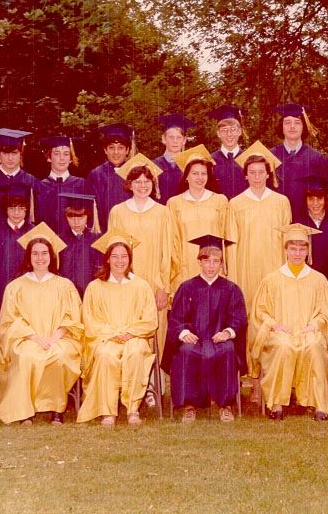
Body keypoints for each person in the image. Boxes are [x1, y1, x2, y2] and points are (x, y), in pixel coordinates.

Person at [0, 223, 82, 425]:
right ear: (28, 257)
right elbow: (9, 320)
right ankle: (26, 411)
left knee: (59, 356)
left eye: (44, 253)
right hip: (25, 339)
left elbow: (73, 318)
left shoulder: (64, 285)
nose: (40, 258)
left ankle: (56, 409)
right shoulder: (15, 287)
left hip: (60, 338)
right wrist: (34, 337)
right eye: (35, 253)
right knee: (26, 356)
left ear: (52, 256)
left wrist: (54, 337)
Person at [249, 224, 328, 420]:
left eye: (302, 248)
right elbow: (260, 312)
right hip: (281, 332)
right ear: (285, 250)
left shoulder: (318, 280)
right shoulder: (271, 280)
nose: (297, 253)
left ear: (308, 250)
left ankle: (319, 405)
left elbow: (325, 312)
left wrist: (315, 325)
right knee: (282, 347)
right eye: (293, 248)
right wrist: (273, 324)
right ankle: (277, 404)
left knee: (314, 346)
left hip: (309, 331)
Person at [163, 235, 247, 423]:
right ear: (199, 262)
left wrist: (228, 332)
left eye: (216, 261)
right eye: (206, 261)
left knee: (228, 350)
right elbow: (176, 318)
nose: (211, 266)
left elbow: (238, 318)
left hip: (220, 341)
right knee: (185, 351)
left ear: (221, 264)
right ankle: (189, 406)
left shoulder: (231, 289)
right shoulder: (187, 287)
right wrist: (184, 333)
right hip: (195, 341)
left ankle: (225, 405)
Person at [77, 230, 157, 426]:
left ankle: (132, 410)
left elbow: (150, 320)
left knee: (136, 353)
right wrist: (113, 334)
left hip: (134, 337)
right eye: (115, 256)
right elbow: (90, 320)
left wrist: (130, 333)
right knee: (106, 356)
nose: (119, 261)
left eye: (124, 256)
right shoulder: (95, 287)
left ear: (130, 259)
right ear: (107, 259)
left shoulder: (141, 286)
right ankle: (108, 412)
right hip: (106, 338)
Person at [108, 153, 172, 359]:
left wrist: (164, 287)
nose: (142, 185)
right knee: (129, 325)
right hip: (126, 281)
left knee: (156, 327)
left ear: (153, 184)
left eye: (147, 181)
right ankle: (128, 378)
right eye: (137, 181)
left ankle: (156, 381)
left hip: (154, 280)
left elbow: (168, 251)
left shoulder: (163, 212)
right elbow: (112, 250)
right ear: (129, 184)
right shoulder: (117, 212)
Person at [225, 142, 292, 315]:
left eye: (261, 172)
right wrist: (233, 276)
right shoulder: (235, 204)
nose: (257, 177)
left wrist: (288, 268)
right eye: (252, 173)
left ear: (268, 174)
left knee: (274, 309)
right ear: (245, 175)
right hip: (245, 266)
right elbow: (231, 244)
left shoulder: (281, 202)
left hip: (274, 264)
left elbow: (287, 240)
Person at [167, 144, 229, 291]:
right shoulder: (174, 203)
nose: (199, 178)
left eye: (204, 173)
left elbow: (225, 236)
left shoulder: (220, 201)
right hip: (184, 268)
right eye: (195, 173)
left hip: (213, 267)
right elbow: (172, 240)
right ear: (186, 175)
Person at [270, 103, 328, 221]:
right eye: (287, 122)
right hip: (276, 219)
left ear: (304, 126)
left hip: (307, 221)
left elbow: (323, 196)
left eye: (297, 122)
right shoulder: (270, 156)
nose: (292, 126)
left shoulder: (316, 158)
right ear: (281, 126)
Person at [0, 182, 35, 313]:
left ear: (26, 209)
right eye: (12, 208)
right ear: (5, 209)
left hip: (30, 293)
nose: (16, 213)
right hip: (1, 292)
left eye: (21, 208)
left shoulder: (35, 232)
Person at [34, 135, 90, 236]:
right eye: (56, 154)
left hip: (74, 242)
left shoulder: (81, 184)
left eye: (66, 154)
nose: (62, 158)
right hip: (48, 242)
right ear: (49, 158)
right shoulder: (39, 187)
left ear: (71, 159)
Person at [0, 128, 37, 231]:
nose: (10, 158)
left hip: (24, 238)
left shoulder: (31, 181)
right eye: (5, 153)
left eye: (14, 153)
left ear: (21, 154)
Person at [86, 123, 134, 232]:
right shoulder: (95, 175)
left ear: (127, 151)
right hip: (103, 232)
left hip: (131, 231)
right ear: (105, 150)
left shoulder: (135, 173)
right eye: (111, 148)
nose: (116, 152)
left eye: (120, 148)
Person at [57, 192, 102, 296]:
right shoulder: (60, 240)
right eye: (71, 218)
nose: (76, 222)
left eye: (81, 217)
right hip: (65, 293)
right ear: (66, 217)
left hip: (90, 293)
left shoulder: (96, 239)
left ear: (88, 216)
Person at [208, 104, 249, 199]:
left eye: (233, 129)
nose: (229, 134)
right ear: (218, 133)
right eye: (224, 130)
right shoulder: (209, 160)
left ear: (240, 131)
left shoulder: (249, 159)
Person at [154, 113, 195, 205]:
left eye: (179, 137)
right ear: (163, 139)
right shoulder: (154, 165)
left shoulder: (191, 164)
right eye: (171, 137)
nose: (175, 141)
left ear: (184, 141)